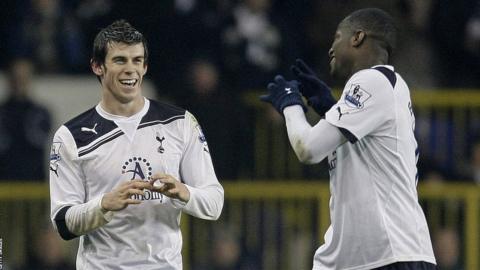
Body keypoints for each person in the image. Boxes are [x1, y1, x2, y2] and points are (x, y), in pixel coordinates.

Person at [260, 8, 436, 270]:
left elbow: (308, 148)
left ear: (357, 37)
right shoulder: (386, 86)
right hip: (360, 256)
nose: (331, 48)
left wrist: (290, 104)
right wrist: (330, 108)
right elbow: (365, 151)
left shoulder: (373, 79)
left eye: (337, 37)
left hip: (388, 252)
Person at [49, 20, 224, 269]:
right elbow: (63, 222)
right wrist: (104, 205)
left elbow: (214, 203)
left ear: (145, 66)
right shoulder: (70, 136)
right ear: (97, 66)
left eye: (137, 60)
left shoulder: (181, 123)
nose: (130, 69)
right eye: (120, 60)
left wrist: (185, 192)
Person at [0, 58, 51, 181]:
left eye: (23, 78)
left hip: (33, 185)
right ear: (9, 80)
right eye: (16, 77)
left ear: (29, 80)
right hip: (4, 185)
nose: (19, 82)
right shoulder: (2, 112)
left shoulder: (41, 113)